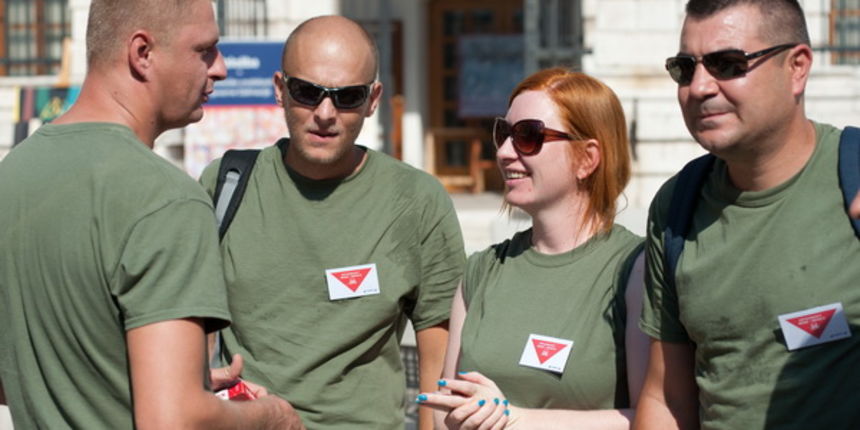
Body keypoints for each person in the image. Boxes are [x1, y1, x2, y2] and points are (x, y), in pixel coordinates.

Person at [0, 0, 303, 428]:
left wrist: (163, 377)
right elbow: (174, 420)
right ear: (143, 54)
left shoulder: (13, 173)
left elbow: (28, 374)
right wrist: (271, 416)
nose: (221, 69)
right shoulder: (166, 199)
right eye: (204, 50)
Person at [199, 15, 465, 429]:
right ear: (280, 90)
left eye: (347, 97)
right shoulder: (226, 184)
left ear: (373, 99)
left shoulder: (416, 201)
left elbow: (440, 361)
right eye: (307, 92)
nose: (325, 113)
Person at [634, 1, 860, 429]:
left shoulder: (852, 178)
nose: (699, 87)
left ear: (797, 68)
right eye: (685, 68)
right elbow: (666, 397)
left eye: (728, 63)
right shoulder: (677, 206)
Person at [416, 68, 649, 429]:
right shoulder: (481, 270)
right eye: (503, 134)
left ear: (587, 158)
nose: (505, 152)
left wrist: (517, 419)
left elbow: (655, 418)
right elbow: (447, 410)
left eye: (528, 136)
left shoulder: (635, 270)